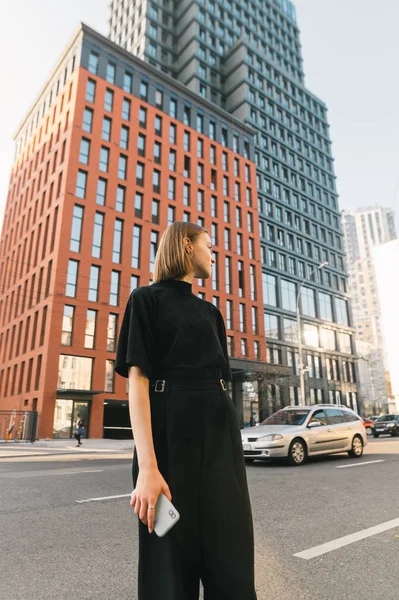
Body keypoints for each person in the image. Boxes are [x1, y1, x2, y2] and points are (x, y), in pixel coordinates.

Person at [115, 222, 257, 600]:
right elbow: (138, 382)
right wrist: (147, 468)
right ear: (186, 245)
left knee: (232, 558)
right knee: (168, 565)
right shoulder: (145, 299)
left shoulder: (211, 313)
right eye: (208, 245)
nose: (213, 253)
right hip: (167, 436)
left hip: (219, 436)